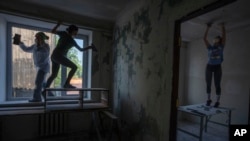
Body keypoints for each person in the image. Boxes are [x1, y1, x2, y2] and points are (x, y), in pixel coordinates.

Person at [44, 22, 97, 90]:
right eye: (76, 31)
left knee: (54, 75)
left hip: (54, 56)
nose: (76, 33)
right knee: (74, 67)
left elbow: (53, 31)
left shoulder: (66, 36)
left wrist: (90, 47)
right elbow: (81, 49)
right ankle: (66, 84)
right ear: (72, 31)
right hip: (58, 56)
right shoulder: (69, 38)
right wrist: (58, 24)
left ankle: (44, 91)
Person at [17, 32, 50, 102]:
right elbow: (26, 49)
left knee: (38, 82)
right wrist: (20, 43)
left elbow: (44, 52)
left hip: (44, 67)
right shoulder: (35, 46)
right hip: (39, 67)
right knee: (43, 84)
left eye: (38, 37)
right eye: (36, 37)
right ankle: (51, 97)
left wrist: (38, 45)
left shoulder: (46, 46)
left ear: (42, 38)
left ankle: (37, 98)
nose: (36, 39)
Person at [203, 22, 226, 107]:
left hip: (217, 67)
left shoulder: (221, 47)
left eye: (217, 40)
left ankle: (217, 102)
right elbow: (204, 39)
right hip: (209, 66)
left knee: (217, 84)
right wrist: (208, 28)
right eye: (214, 40)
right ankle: (208, 99)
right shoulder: (210, 48)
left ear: (219, 41)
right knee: (208, 84)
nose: (215, 41)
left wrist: (223, 27)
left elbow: (224, 37)